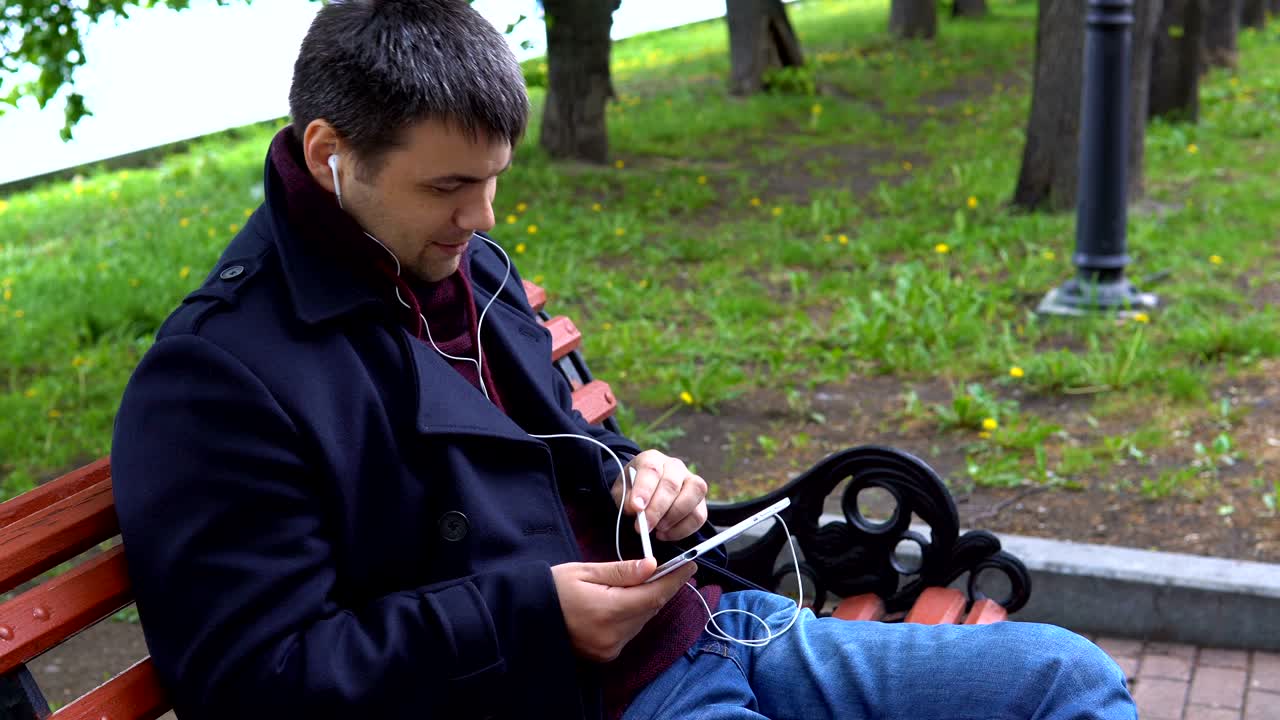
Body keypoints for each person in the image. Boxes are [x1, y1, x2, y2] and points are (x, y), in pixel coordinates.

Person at [110, 1, 1137, 718]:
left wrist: (646, 480)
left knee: (1064, 679)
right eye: (447, 188)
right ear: (332, 152)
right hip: (565, 695)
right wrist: (530, 617)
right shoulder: (220, 378)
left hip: (712, 629)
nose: (482, 218)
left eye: (494, 181)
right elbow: (257, 678)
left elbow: (567, 453)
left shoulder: (465, 264)